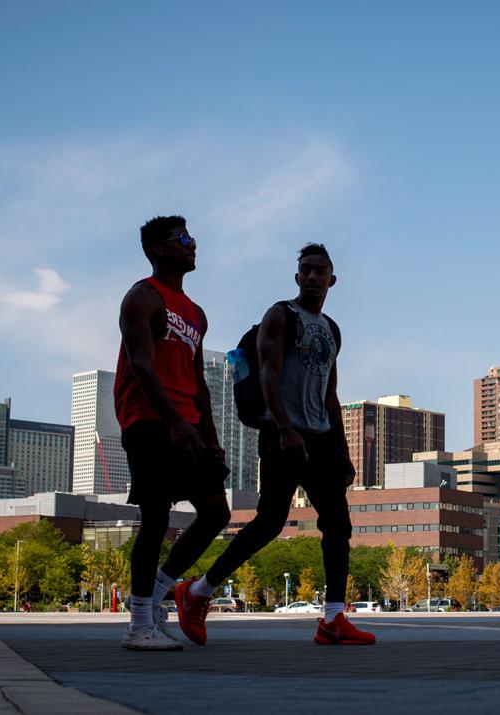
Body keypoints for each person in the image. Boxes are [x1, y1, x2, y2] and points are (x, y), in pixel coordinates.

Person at [176, 243, 375, 646]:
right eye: (306, 269)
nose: (314, 276)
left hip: (319, 438)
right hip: (283, 434)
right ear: (297, 276)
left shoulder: (332, 329)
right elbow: (268, 372)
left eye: (321, 270)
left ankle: (334, 618)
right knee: (268, 523)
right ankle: (197, 591)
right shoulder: (280, 315)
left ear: (332, 280)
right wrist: (284, 428)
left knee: (338, 525)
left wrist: (344, 450)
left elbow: (330, 394)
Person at [115, 215, 232, 651]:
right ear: (159, 249)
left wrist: (210, 434)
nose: (192, 243)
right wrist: (174, 421)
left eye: (191, 236)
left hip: (189, 424)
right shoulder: (141, 297)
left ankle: (161, 595)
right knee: (157, 517)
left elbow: (199, 381)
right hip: (148, 419)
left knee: (216, 513)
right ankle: (138, 624)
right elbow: (142, 365)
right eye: (181, 238)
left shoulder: (196, 313)